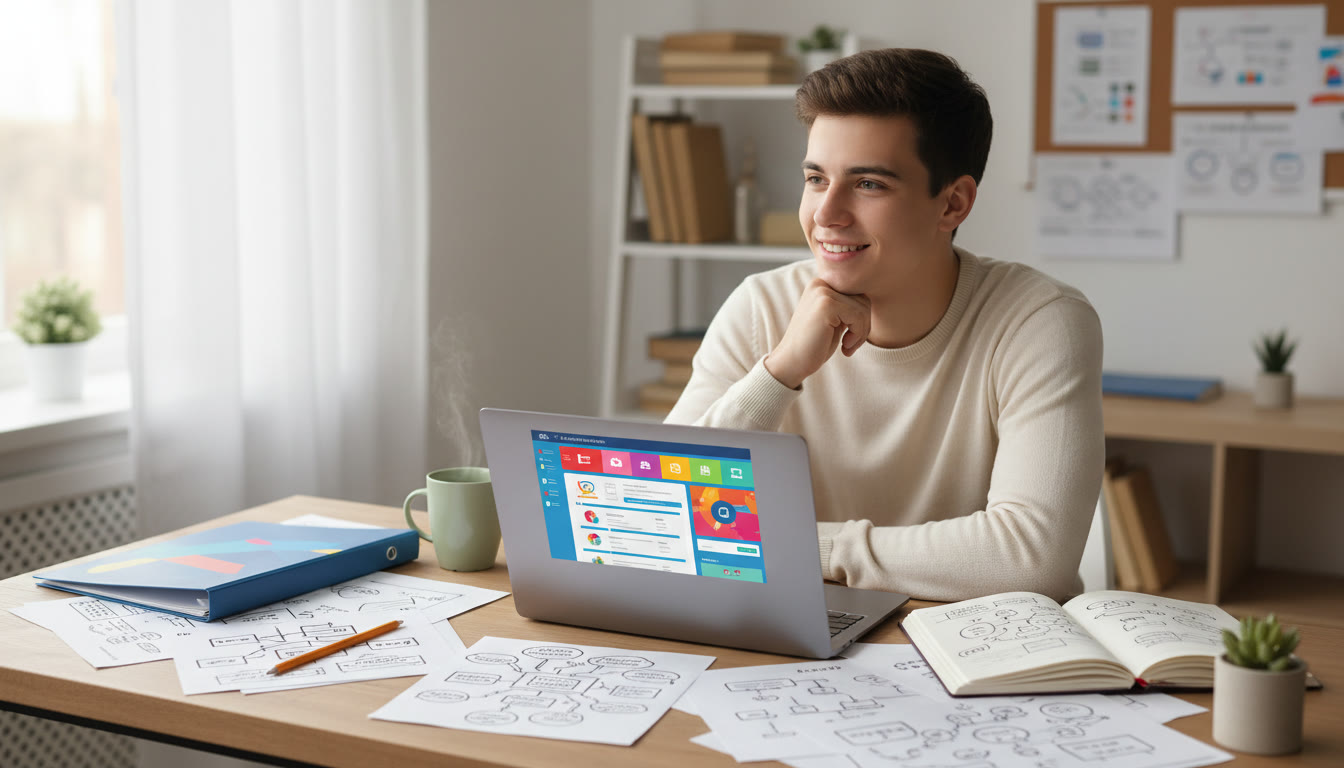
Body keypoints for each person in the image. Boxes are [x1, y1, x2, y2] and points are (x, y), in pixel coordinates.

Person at [664, 48, 1104, 602]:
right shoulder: (761, 306)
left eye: (868, 184)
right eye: (816, 178)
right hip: (791, 638)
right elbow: (662, 515)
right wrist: (779, 373)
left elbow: (1029, 558)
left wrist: (805, 549)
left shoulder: (1039, 321)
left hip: (975, 649)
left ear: (953, 204)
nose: (826, 213)